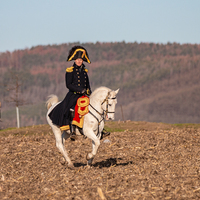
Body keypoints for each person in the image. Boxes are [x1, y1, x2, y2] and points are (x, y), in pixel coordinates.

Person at [48, 45, 110, 140]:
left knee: (94, 107)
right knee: (72, 108)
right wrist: (79, 90)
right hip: (73, 95)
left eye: (81, 60)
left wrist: (89, 92)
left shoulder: (84, 71)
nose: (79, 61)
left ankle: (100, 130)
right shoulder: (70, 71)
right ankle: (72, 130)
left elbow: (87, 84)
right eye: (77, 59)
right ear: (74, 60)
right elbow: (68, 85)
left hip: (84, 95)